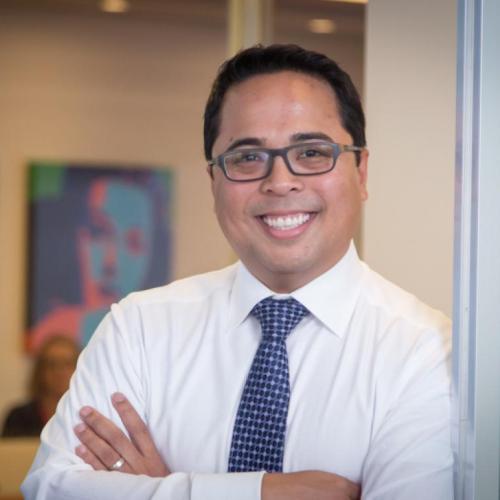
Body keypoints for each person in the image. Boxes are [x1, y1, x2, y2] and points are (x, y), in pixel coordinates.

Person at [22, 44, 452, 499]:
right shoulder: (139, 328)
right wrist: (258, 492)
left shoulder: (426, 352)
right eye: (248, 157)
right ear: (214, 181)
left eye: (311, 152)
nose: (280, 182)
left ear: (361, 171)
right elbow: (51, 488)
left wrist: (159, 488)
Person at [2, 336, 79, 438]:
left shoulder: (88, 415)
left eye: (67, 364)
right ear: (40, 370)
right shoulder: (18, 417)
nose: (59, 371)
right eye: (52, 364)